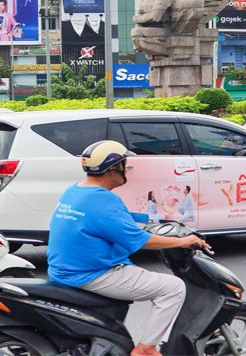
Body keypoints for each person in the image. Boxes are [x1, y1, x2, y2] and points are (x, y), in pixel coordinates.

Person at [47, 140, 210, 356]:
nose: (127, 169)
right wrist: (183, 241)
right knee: (173, 288)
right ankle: (147, 348)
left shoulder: (75, 192)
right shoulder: (104, 201)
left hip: (63, 269)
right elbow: (142, 241)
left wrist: (152, 217)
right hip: (92, 273)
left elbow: (106, 220)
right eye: (124, 164)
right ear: (113, 168)